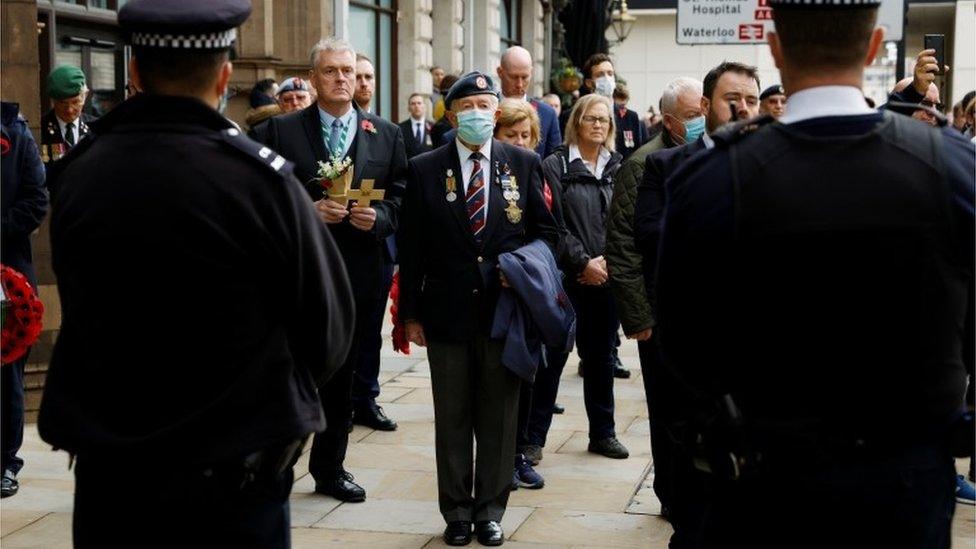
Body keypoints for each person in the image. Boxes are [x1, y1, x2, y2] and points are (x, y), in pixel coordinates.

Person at [36, 0, 356, 546]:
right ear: (226, 76)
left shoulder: (79, 174)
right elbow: (328, 331)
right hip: (233, 475)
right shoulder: (261, 182)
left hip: (115, 471)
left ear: (134, 73)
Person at [656, 2, 974, 547]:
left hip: (765, 481)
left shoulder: (711, 178)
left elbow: (683, 341)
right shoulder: (951, 167)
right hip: (905, 483)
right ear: (874, 46)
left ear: (776, 50)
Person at [398, 71, 562, 547]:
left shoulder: (523, 163)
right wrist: (409, 314)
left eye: (485, 104)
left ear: (497, 110)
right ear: (451, 114)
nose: (477, 113)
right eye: (466, 105)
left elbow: (547, 234)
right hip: (445, 313)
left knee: (499, 417)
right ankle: (456, 511)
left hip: (504, 312)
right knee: (451, 418)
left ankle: (491, 508)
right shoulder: (426, 166)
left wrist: (523, 267)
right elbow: (410, 249)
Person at [261, 37, 408, 503]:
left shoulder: (385, 133)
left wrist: (379, 219)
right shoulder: (280, 131)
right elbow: (259, 197)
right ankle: (274, 468)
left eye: (348, 70)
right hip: (297, 275)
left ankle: (331, 468)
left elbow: (403, 197)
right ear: (312, 79)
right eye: (331, 71)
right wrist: (307, 207)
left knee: (343, 379)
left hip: (358, 276)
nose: (342, 78)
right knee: (288, 374)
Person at [632, 61, 760, 548]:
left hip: (751, 346)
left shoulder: (772, 164)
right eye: (733, 99)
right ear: (706, 106)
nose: (743, 108)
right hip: (686, 340)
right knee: (686, 452)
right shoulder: (666, 167)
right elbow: (649, 234)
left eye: (750, 99)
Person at [604, 75, 702, 527]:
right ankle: (671, 493)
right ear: (668, 120)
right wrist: (638, 315)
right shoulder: (645, 162)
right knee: (667, 409)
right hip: (657, 310)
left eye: (702, 112)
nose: (700, 122)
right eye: (691, 116)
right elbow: (622, 242)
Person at [527, 93, 629, 465]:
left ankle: (603, 433)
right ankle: (533, 438)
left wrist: (608, 263)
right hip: (567, 280)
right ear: (576, 123)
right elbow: (553, 225)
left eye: (604, 120)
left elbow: (623, 221)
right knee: (552, 359)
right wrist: (582, 263)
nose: (598, 125)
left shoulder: (617, 166)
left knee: (601, 359)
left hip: (606, 280)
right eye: (591, 119)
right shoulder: (554, 165)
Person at [492, 98, 547, 491]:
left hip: (528, 292)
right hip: (492, 291)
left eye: (525, 135)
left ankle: (518, 456)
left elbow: (553, 232)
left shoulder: (537, 171)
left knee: (528, 374)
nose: (519, 141)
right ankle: (497, 459)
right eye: (511, 135)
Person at [0, 101, 48, 499]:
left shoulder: (15, 131)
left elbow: (36, 198)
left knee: (6, 372)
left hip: (6, 271)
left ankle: (5, 462)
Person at [495, 46, 562, 158]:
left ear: (531, 72)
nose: (519, 84)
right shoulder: (487, 109)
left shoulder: (547, 114)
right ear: (500, 72)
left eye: (525, 77)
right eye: (513, 77)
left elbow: (554, 162)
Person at [40, 66, 94, 169]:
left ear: (85, 96)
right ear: (53, 100)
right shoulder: (40, 129)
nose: (69, 110)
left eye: (75, 102)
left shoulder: (96, 128)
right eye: (62, 103)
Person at [611, 84, 646, 159]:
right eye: (619, 98)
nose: (623, 102)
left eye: (625, 99)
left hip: (629, 155)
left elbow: (637, 138)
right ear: (614, 98)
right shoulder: (610, 114)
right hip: (614, 155)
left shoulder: (633, 115)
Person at [399, 92, 434, 159]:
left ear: (424, 106)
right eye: (413, 104)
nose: (416, 106)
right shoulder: (400, 128)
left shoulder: (433, 127)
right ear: (409, 108)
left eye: (419, 103)